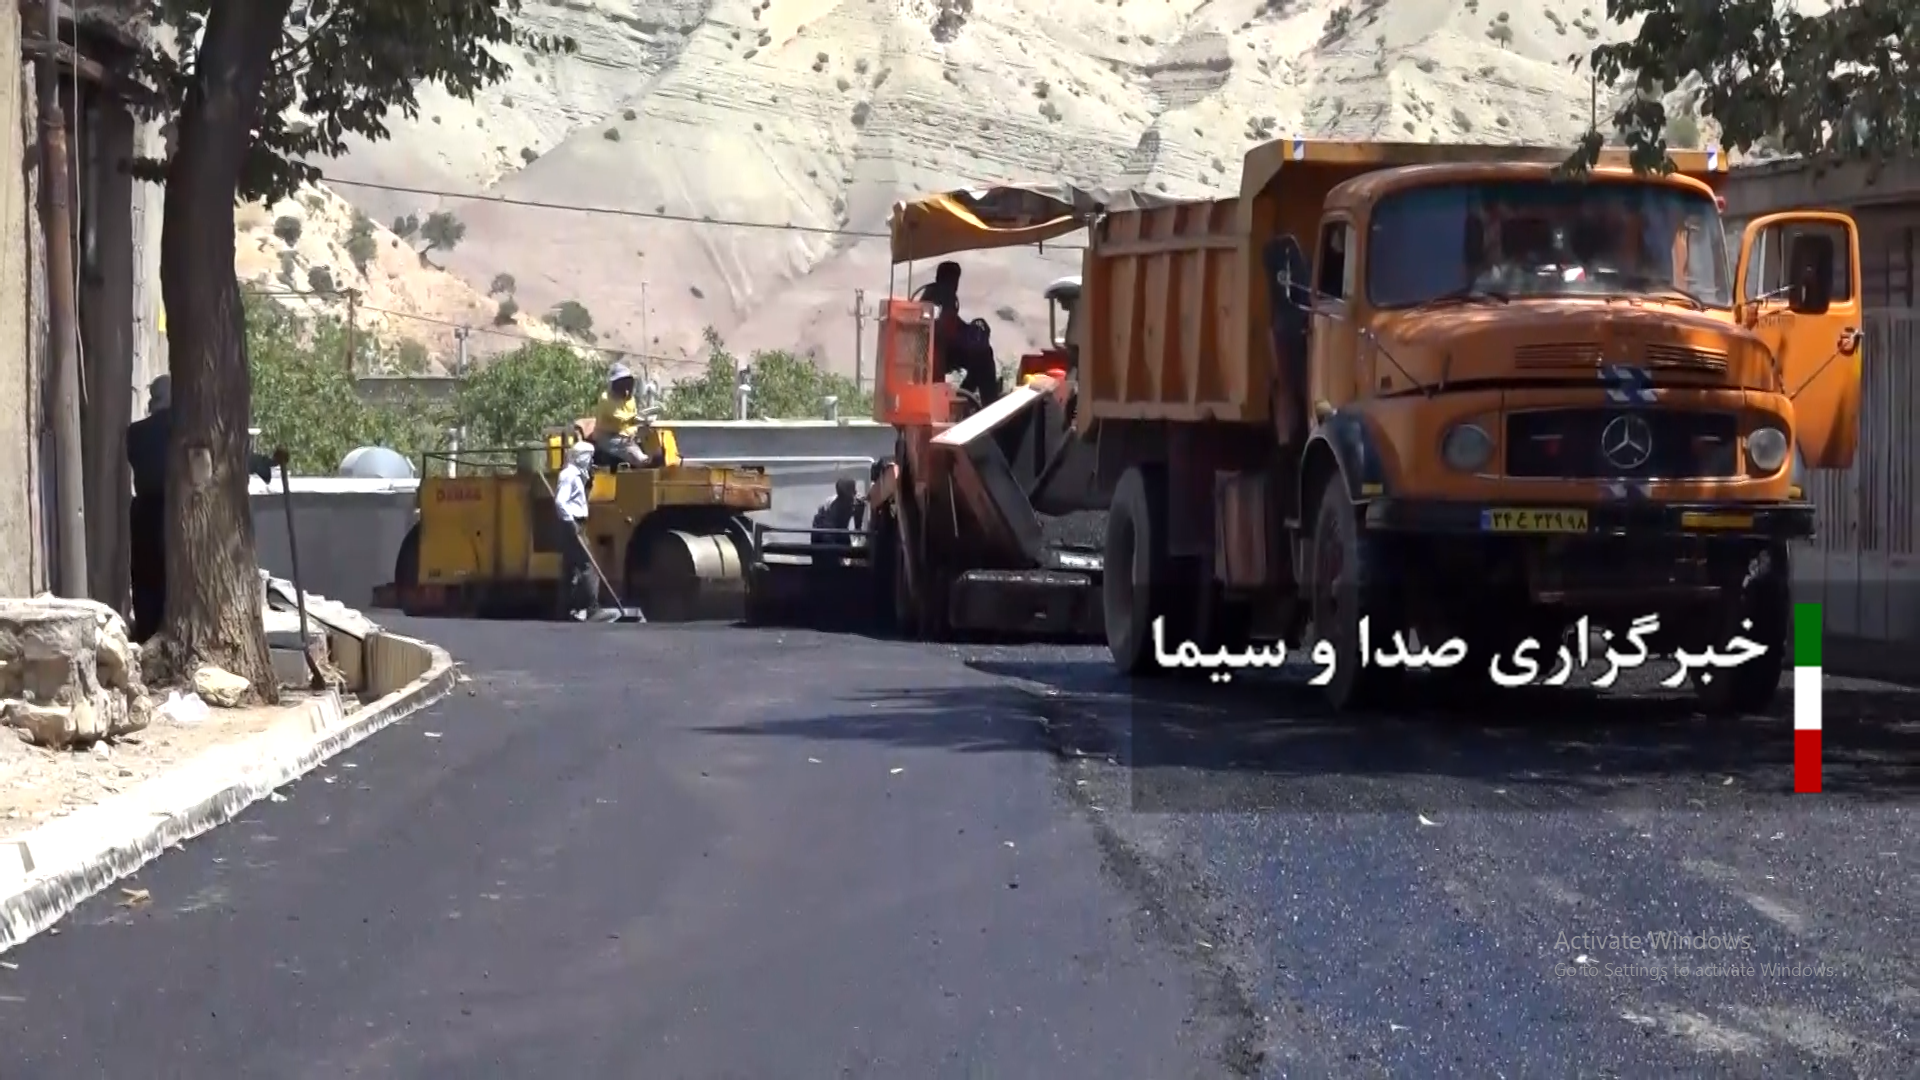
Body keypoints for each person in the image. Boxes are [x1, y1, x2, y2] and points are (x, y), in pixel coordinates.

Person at [124, 374, 274, 643]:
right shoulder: (185, 433)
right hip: (178, 515)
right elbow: (223, 459)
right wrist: (260, 464)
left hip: (144, 514)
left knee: (147, 582)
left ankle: (148, 636)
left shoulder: (135, 433)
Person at [554, 438, 613, 621]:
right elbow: (560, 501)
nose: (591, 461)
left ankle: (563, 610)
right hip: (572, 524)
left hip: (575, 522)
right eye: (589, 457)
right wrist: (570, 522)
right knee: (588, 566)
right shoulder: (569, 475)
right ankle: (593, 608)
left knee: (570, 569)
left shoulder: (578, 474)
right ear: (581, 457)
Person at [591, 363, 669, 469]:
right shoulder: (606, 399)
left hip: (628, 435)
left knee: (649, 432)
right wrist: (637, 421)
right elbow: (621, 420)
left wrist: (639, 427)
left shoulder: (630, 399)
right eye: (622, 381)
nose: (625, 384)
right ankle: (643, 462)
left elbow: (633, 419)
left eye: (627, 381)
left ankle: (659, 458)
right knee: (627, 446)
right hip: (609, 437)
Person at [810, 477, 866, 567]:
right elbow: (828, 537)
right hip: (823, 532)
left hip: (840, 530)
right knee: (826, 557)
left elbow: (858, 528)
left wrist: (858, 523)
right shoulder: (830, 509)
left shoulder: (856, 503)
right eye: (847, 497)